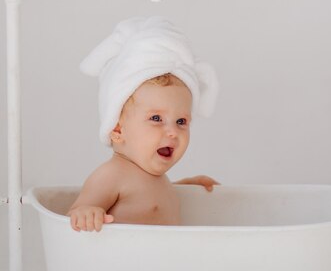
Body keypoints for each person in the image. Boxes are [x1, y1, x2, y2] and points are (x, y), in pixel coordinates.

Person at [67, 16, 219, 231]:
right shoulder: (112, 175)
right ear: (117, 129)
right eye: (156, 119)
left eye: (181, 121)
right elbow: (78, 211)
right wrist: (86, 211)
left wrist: (183, 188)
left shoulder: (155, 177)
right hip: (127, 265)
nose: (173, 131)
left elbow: (148, 202)